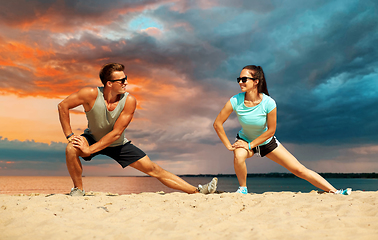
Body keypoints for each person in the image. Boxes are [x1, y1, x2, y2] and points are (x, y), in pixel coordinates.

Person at [58, 63, 217, 196]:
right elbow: (63, 106)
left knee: (153, 169)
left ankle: (196, 191)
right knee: (71, 148)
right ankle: (78, 190)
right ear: (109, 83)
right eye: (121, 80)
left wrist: (89, 150)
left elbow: (116, 133)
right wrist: (69, 135)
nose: (126, 83)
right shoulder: (89, 94)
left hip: (117, 143)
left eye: (125, 79)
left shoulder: (129, 101)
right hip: (92, 137)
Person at [213, 65, 351, 195]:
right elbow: (217, 123)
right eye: (239, 79)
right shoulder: (235, 100)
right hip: (245, 140)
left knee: (299, 170)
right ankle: (242, 189)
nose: (240, 82)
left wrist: (250, 145)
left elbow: (271, 131)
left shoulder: (269, 103)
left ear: (256, 81)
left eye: (244, 79)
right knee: (239, 156)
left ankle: (335, 191)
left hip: (266, 141)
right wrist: (229, 146)